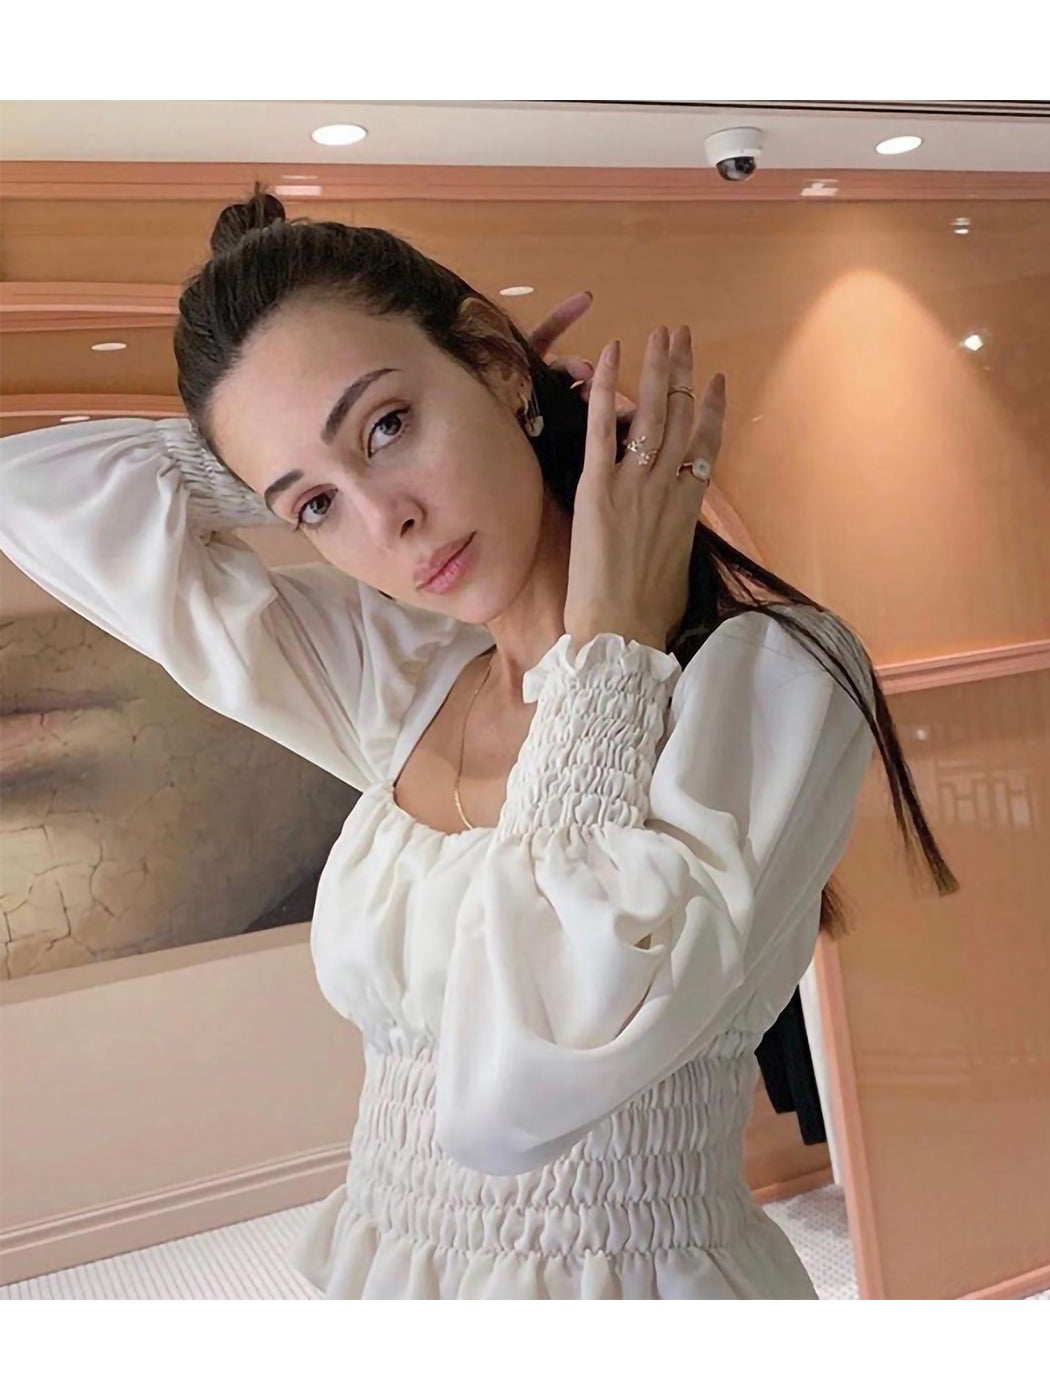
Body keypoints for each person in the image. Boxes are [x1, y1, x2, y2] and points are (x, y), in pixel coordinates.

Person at [0, 190, 958, 1300]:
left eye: (388, 426)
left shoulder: (770, 677)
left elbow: (512, 1100)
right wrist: (269, 456)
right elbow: (32, 495)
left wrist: (609, 645)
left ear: (498, 365)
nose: (386, 522)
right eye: (316, 507)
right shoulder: (403, 678)